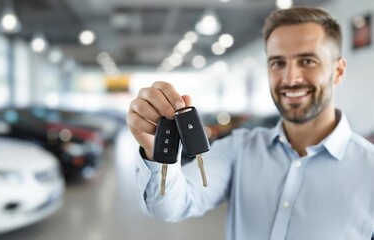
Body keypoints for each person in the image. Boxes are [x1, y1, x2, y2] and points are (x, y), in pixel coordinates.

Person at [126, 6, 374, 239]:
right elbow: (170, 206)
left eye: (307, 61)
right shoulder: (238, 149)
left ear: (338, 71)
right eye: (278, 63)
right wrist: (157, 153)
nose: (289, 78)